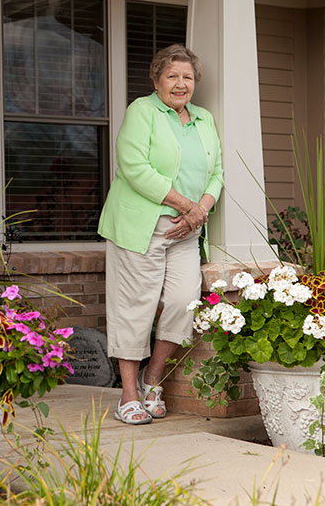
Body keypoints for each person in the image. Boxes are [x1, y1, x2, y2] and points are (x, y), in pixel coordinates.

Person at [98, 44, 224, 424]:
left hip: (185, 231)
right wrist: (187, 206)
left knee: (183, 303)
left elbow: (216, 172)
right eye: (172, 76)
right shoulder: (142, 111)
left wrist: (198, 211)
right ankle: (129, 395)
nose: (180, 84)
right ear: (156, 81)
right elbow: (134, 167)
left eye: (187, 77)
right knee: (135, 307)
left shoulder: (203, 119)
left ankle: (154, 377)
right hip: (141, 228)